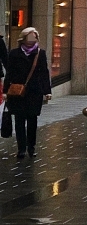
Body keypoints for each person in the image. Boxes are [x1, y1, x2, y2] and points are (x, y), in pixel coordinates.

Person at [3, 27, 51, 159]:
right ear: (23, 39)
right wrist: (5, 91)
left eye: (34, 38)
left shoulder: (40, 54)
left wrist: (47, 91)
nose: (32, 40)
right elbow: (9, 73)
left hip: (34, 92)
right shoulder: (14, 54)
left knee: (32, 121)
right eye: (29, 37)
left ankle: (31, 147)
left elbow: (44, 73)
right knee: (19, 121)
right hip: (18, 92)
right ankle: (21, 148)